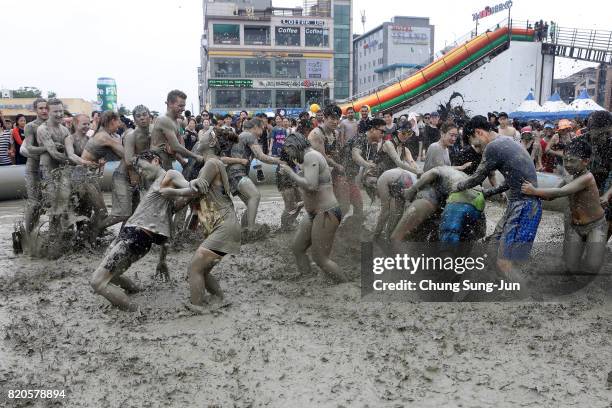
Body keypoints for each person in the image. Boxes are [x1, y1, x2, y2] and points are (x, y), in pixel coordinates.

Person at [90, 150, 193, 311]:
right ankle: (135, 290)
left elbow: (192, 187)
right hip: (136, 237)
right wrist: (162, 260)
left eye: (142, 167)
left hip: (135, 236)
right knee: (113, 275)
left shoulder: (170, 175)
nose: (140, 172)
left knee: (97, 282)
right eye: (137, 169)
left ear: (156, 161)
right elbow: (164, 221)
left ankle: (134, 311)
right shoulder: (158, 188)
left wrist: (197, 183)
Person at [158, 131, 241, 310]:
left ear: (211, 141)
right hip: (225, 226)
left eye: (204, 134)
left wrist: (169, 192)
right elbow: (194, 195)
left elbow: (193, 191)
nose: (199, 136)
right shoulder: (212, 164)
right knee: (202, 270)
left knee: (193, 269)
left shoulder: (211, 163)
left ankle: (197, 308)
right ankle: (220, 299)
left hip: (224, 227)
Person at [453, 115, 542, 281]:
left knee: (505, 262)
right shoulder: (505, 141)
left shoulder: (493, 146)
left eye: (476, 144)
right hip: (519, 204)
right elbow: (513, 181)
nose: (477, 150)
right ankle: (504, 286)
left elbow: (477, 178)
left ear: (478, 132)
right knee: (493, 248)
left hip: (525, 207)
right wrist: (490, 192)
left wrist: (456, 186)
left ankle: (527, 297)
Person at [522, 138, 607, 276]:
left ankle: (592, 254)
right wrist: (533, 193)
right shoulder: (568, 177)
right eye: (565, 160)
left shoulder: (588, 177)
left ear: (585, 161)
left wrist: (534, 191)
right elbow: (551, 196)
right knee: (571, 266)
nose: (567, 164)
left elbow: (562, 192)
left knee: (592, 265)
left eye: (572, 161)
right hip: (575, 225)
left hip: (595, 225)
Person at [278, 135, 348, 283]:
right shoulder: (308, 158)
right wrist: (302, 203)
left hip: (326, 212)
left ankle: (345, 285)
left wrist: (290, 173)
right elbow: (317, 187)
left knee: (320, 258)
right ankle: (307, 278)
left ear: (293, 146)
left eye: (289, 151)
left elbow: (311, 185)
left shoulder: (310, 156)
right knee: (297, 248)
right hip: (313, 213)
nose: (289, 155)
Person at [398, 166, 486, 244]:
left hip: (460, 198)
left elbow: (433, 173)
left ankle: (446, 259)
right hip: (479, 198)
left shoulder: (436, 170)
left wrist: (412, 190)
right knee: (466, 237)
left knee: (448, 238)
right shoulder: (455, 173)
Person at [226, 118, 279, 231]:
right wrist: (281, 161)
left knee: (250, 204)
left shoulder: (242, 135)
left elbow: (256, 160)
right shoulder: (249, 136)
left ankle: (243, 229)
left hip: (232, 174)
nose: (262, 132)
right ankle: (251, 229)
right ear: (255, 127)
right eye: (262, 129)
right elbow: (261, 156)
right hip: (237, 173)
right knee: (255, 196)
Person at [308, 105, 350, 215]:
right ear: (325, 118)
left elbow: (335, 153)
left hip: (328, 170)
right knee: (320, 207)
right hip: (313, 172)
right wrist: (338, 166)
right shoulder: (316, 134)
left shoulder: (335, 133)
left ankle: (336, 224)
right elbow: (323, 158)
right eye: (332, 118)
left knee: (344, 201)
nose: (335, 122)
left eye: (337, 119)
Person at [151, 90, 203, 170]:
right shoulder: (164, 120)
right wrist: (195, 156)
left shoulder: (176, 121)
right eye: (180, 106)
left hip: (167, 165)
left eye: (184, 106)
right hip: (157, 167)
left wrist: (182, 161)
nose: (183, 109)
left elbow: (173, 148)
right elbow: (176, 146)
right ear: (170, 104)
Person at [20, 98, 49, 233]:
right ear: (35, 110)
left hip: (50, 168)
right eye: (41, 108)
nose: (44, 111)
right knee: (34, 202)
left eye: (46, 108)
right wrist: (48, 150)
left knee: (52, 202)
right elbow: (27, 148)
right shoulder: (30, 126)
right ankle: (28, 233)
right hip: (34, 169)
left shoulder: (55, 125)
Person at [277, 119, 311, 230]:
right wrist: (302, 167)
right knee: (290, 205)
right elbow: (291, 155)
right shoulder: (294, 138)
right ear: (306, 130)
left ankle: (289, 223)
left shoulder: (301, 139)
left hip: (291, 171)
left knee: (302, 200)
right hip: (284, 173)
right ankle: (284, 227)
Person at [373, 168, 416, 240]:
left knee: (385, 212)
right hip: (408, 179)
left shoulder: (381, 180)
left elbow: (385, 212)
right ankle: (389, 236)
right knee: (399, 214)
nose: (378, 197)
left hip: (402, 179)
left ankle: (376, 237)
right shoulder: (391, 173)